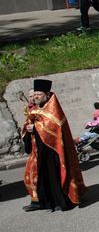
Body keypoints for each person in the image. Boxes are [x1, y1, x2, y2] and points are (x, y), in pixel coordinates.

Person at [21, 79, 85, 212]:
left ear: (47, 94)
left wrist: (36, 127)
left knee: (55, 175)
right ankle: (47, 202)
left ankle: (62, 201)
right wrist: (28, 128)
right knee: (41, 175)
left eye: (39, 94)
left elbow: (53, 127)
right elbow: (32, 126)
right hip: (39, 150)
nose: (36, 96)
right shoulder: (37, 109)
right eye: (35, 94)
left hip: (54, 151)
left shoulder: (53, 108)